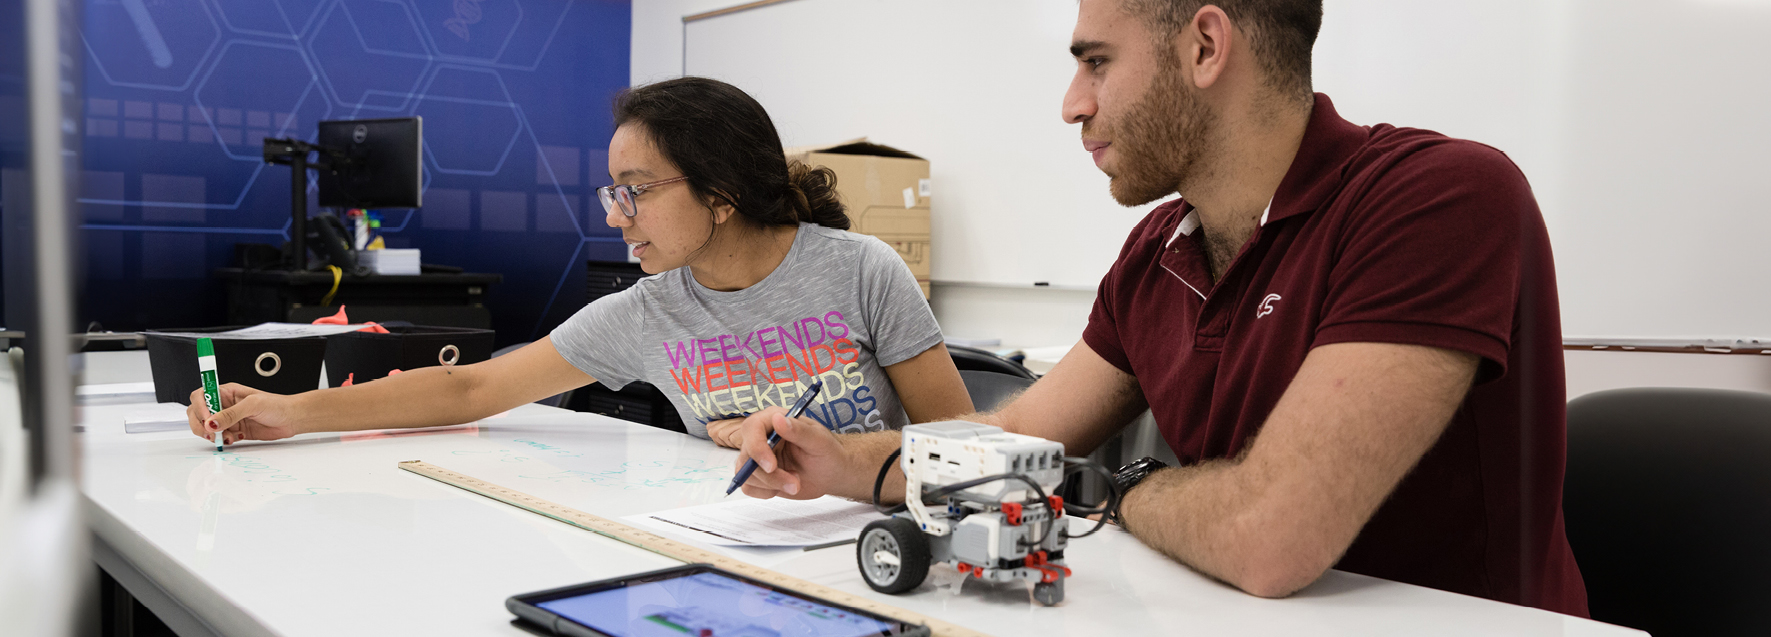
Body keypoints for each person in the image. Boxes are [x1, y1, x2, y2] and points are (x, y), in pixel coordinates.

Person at [728, 0, 1589, 617]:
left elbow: (1267, 537)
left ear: (1205, 46)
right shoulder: (1157, 250)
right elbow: (1022, 435)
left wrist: (1123, 488)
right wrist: (840, 462)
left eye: (1096, 60)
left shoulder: (1437, 198)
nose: (1073, 103)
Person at [187, 77, 973, 449]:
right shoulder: (649, 308)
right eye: (611, 191)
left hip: (869, 550)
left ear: (722, 194)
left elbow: (962, 442)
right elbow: (473, 385)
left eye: (635, 191)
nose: (612, 214)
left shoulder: (861, 270)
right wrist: (288, 409)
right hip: (726, 547)